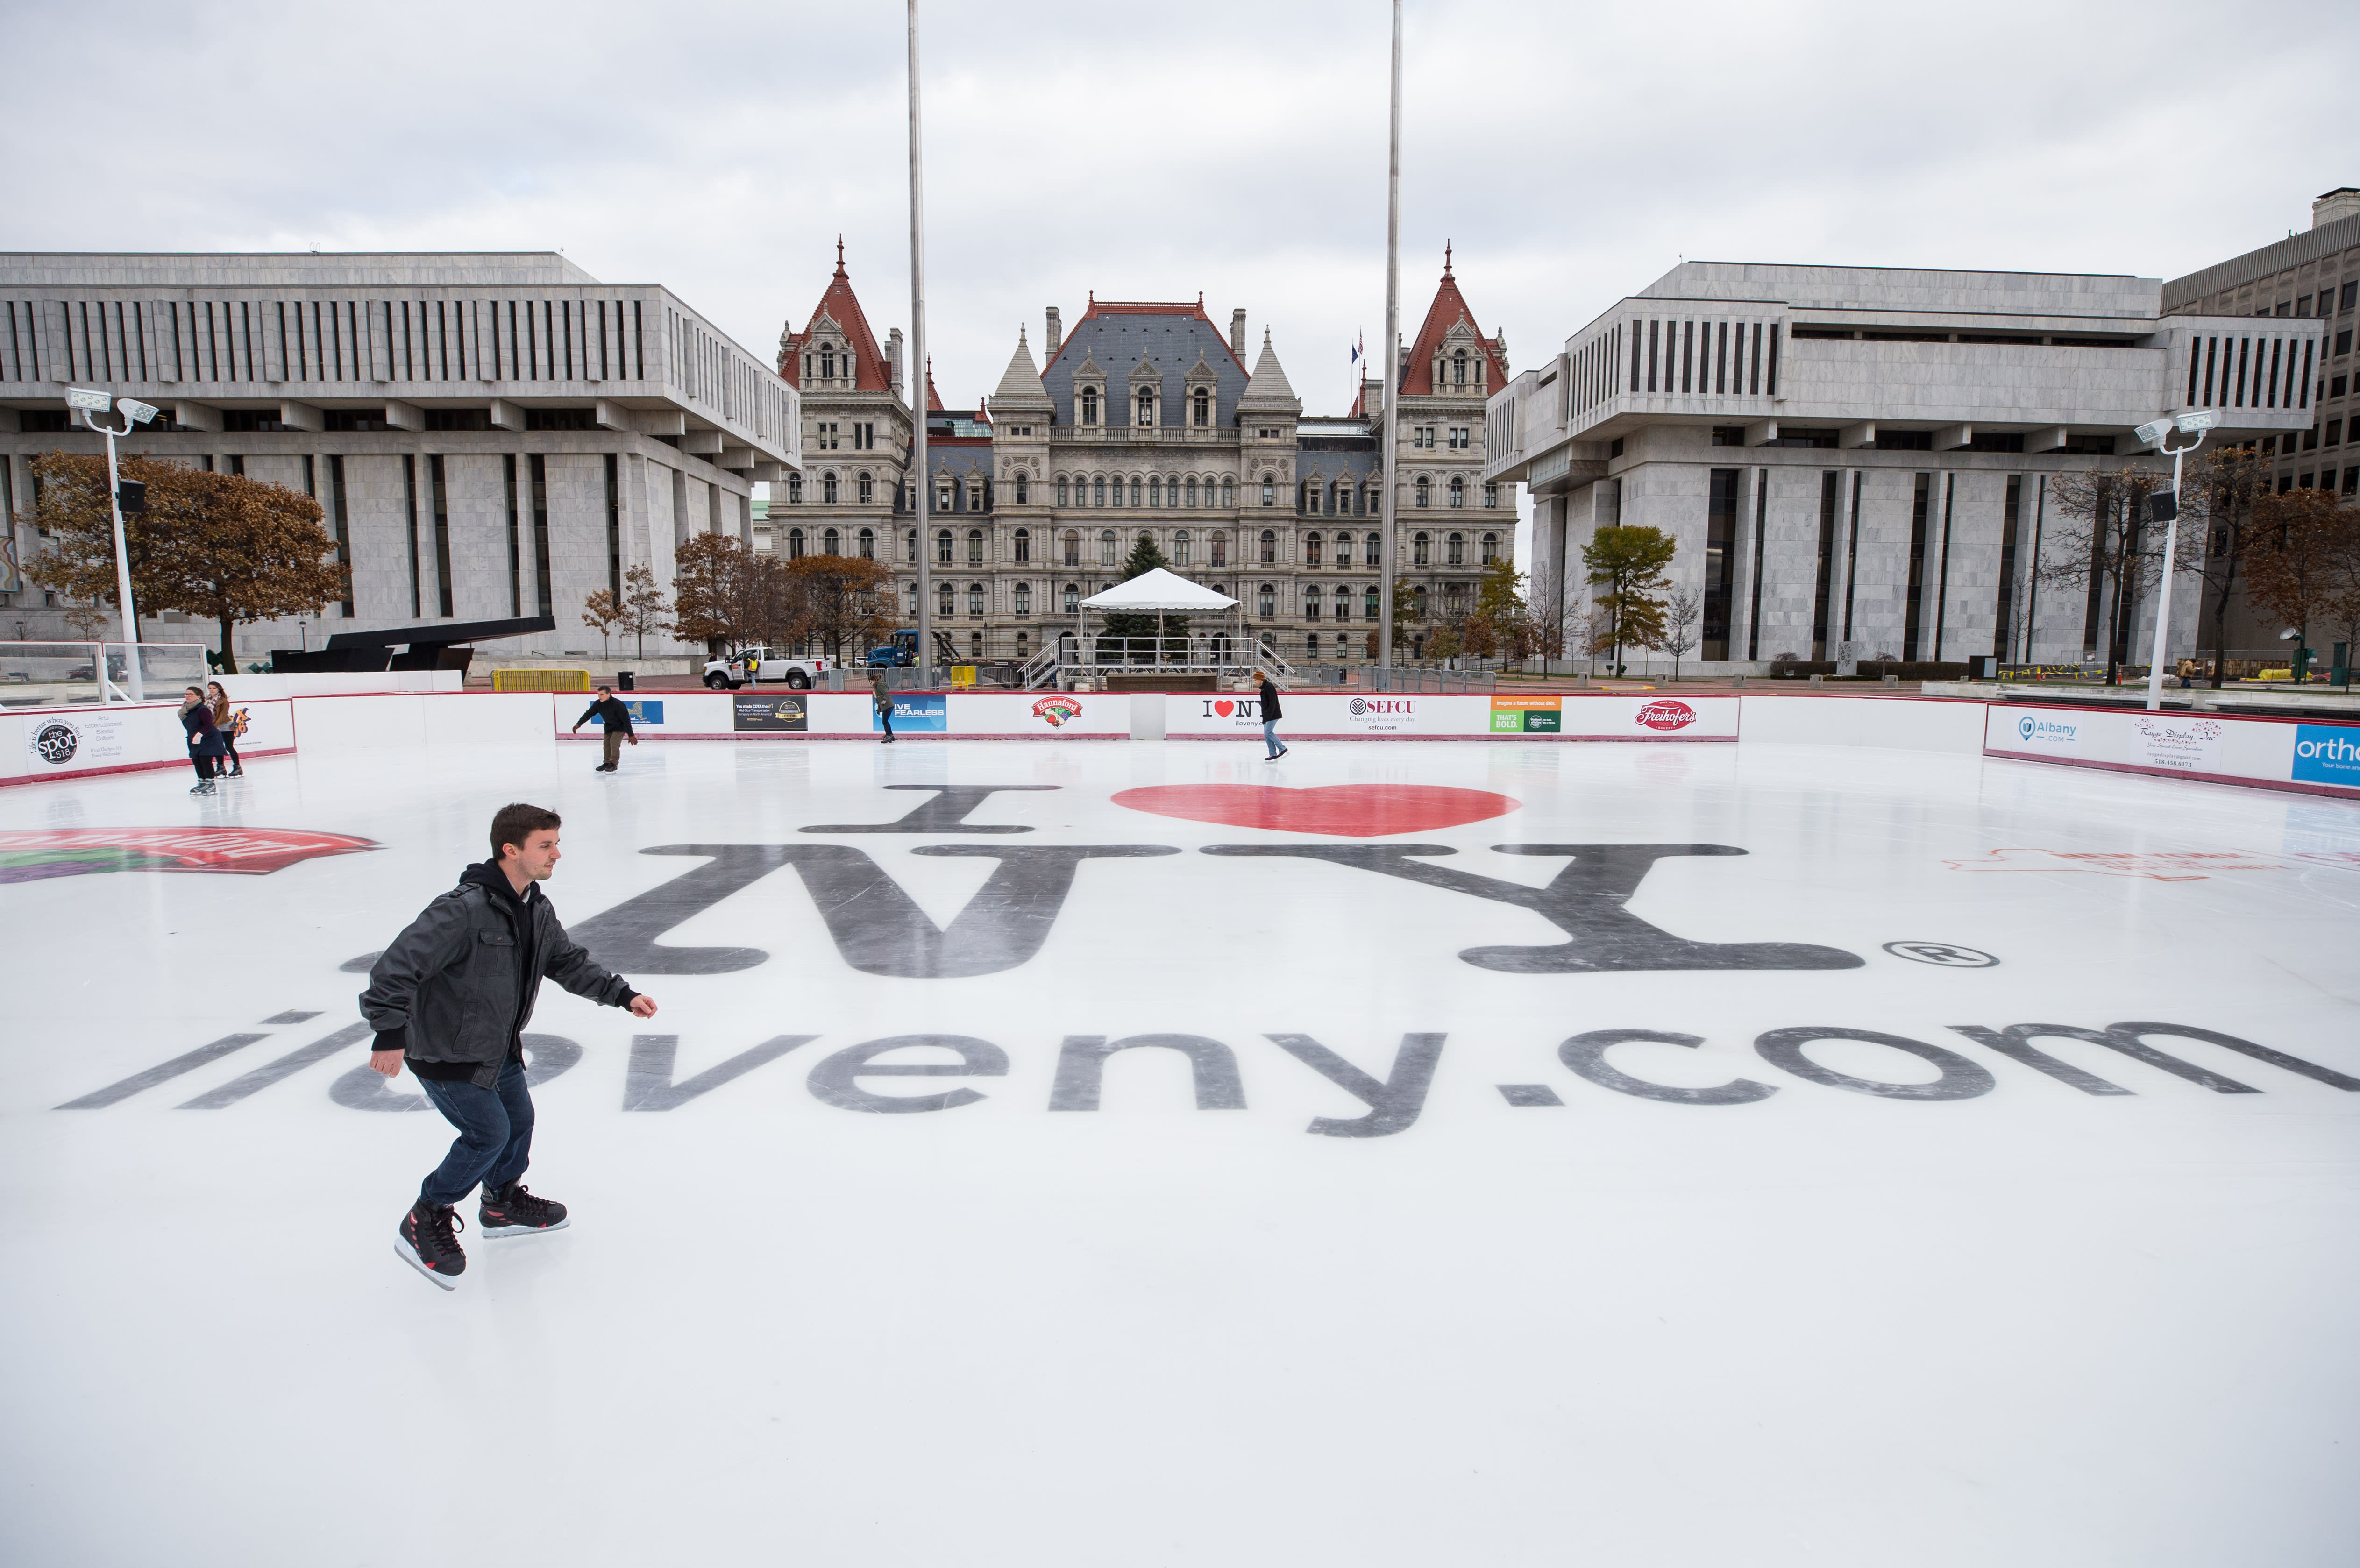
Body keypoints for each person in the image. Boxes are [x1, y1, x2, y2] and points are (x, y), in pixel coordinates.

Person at [362, 802, 659, 1289]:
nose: (557, 854)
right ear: (510, 850)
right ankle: (426, 1216)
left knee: (519, 1123)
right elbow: (394, 970)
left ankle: (500, 1203)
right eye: (546, 845)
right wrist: (390, 1034)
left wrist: (621, 995)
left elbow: (566, 962)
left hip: (497, 1046)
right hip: (445, 1052)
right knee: (488, 1135)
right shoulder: (460, 910)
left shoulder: (535, 909)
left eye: (556, 843)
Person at [570, 686, 636, 772]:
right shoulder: (598, 704)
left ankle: (614, 764)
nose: (599, 696)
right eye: (598, 694)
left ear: (609, 694)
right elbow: (589, 714)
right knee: (606, 745)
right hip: (609, 727)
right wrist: (579, 724)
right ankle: (607, 762)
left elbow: (626, 720)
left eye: (602, 694)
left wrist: (631, 734)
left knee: (614, 743)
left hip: (620, 727)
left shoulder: (618, 704)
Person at [178, 685, 226, 795]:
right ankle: (202, 783)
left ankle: (210, 784)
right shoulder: (186, 710)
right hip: (193, 739)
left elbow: (209, 725)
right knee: (197, 761)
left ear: (198, 697)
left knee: (205, 760)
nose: (187, 696)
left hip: (208, 738)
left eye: (191, 694)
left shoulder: (202, 709)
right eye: (186, 694)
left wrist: (199, 734)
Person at [206, 681, 245, 778]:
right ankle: (221, 767)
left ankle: (237, 767)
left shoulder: (223, 700)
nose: (212, 690)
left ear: (219, 689)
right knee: (217, 747)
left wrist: (214, 726)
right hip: (214, 726)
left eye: (214, 688)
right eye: (210, 688)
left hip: (225, 727)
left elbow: (223, 716)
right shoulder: (208, 700)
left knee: (229, 747)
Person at [1259, 672, 1287, 760]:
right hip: (1267, 715)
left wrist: (1269, 715)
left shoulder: (1268, 686)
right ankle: (1273, 754)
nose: (1255, 682)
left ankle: (1282, 749)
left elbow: (1273, 701)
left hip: (1273, 715)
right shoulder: (1264, 688)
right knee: (1267, 735)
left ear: (1260, 679)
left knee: (1268, 733)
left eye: (1255, 680)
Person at [873, 670, 895, 744]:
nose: (871, 683)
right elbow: (878, 699)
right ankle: (890, 735)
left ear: (875, 681)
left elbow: (886, 692)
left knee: (884, 721)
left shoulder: (879, 686)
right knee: (885, 721)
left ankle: (889, 735)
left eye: (871, 681)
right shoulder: (876, 688)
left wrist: (885, 700)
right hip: (886, 706)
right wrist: (879, 709)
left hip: (888, 705)